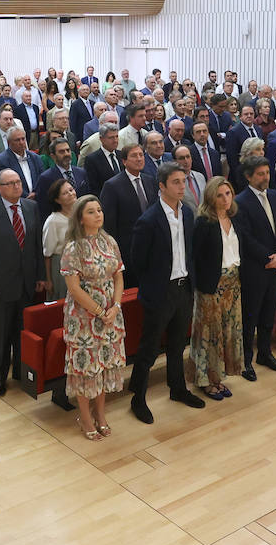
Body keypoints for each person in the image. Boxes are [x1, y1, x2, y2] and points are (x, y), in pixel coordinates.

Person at [127, 163, 204, 423]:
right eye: (176, 182)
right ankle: (138, 397)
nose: (182, 186)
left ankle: (178, 389)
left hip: (183, 288)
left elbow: (190, 251)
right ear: (162, 186)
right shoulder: (148, 220)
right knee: (148, 349)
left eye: (183, 181)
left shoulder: (188, 214)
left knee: (177, 344)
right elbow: (138, 261)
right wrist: (155, 284)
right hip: (160, 292)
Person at [59, 194, 125, 440]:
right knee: (86, 368)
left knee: (105, 365)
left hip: (111, 313)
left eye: (99, 210)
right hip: (84, 317)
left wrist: (115, 307)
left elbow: (118, 275)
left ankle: (101, 414)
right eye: (91, 211)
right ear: (80, 217)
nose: (98, 214)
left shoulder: (109, 241)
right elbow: (74, 288)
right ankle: (85, 417)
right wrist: (99, 311)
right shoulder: (73, 247)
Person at [0, 169, 47, 396]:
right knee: (1, 334)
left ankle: (20, 372)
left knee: (22, 331)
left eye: (18, 182)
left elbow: (36, 246)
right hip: (1, 285)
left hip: (27, 282)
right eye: (10, 183)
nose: (17, 186)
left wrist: (40, 277)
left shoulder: (31, 207)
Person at [232, 155, 276, 376]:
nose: (266, 177)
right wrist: (271, 258)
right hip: (255, 269)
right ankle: (245, 360)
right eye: (260, 174)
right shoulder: (240, 201)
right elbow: (245, 238)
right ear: (248, 176)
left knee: (268, 315)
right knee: (250, 317)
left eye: (267, 172)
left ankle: (265, 353)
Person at [188, 176, 244, 400]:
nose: (225, 199)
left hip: (234, 282)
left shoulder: (235, 218)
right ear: (211, 197)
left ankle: (219, 377)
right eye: (219, 195)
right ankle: (205, 380)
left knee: (228, 332)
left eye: (228, 193)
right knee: (210, 335)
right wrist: (200, 288)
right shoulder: (204, 222)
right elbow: (196, 258)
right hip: (211, 285)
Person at [100, 145, 157, 273]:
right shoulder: (112, 185)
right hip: (127, 249)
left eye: (141, 155)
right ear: (124, 161)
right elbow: (109, 224)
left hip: (151, 245)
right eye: (134, 156)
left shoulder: (150, 180)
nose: (139, 159)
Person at [43, 178, 78, 300]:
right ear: (57, 200)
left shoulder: (80, 214)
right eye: (65, 193)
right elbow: (48, 255)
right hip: (62, 266)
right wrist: (48, 280)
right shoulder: (53, 221)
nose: (70, 194)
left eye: (71, 190)